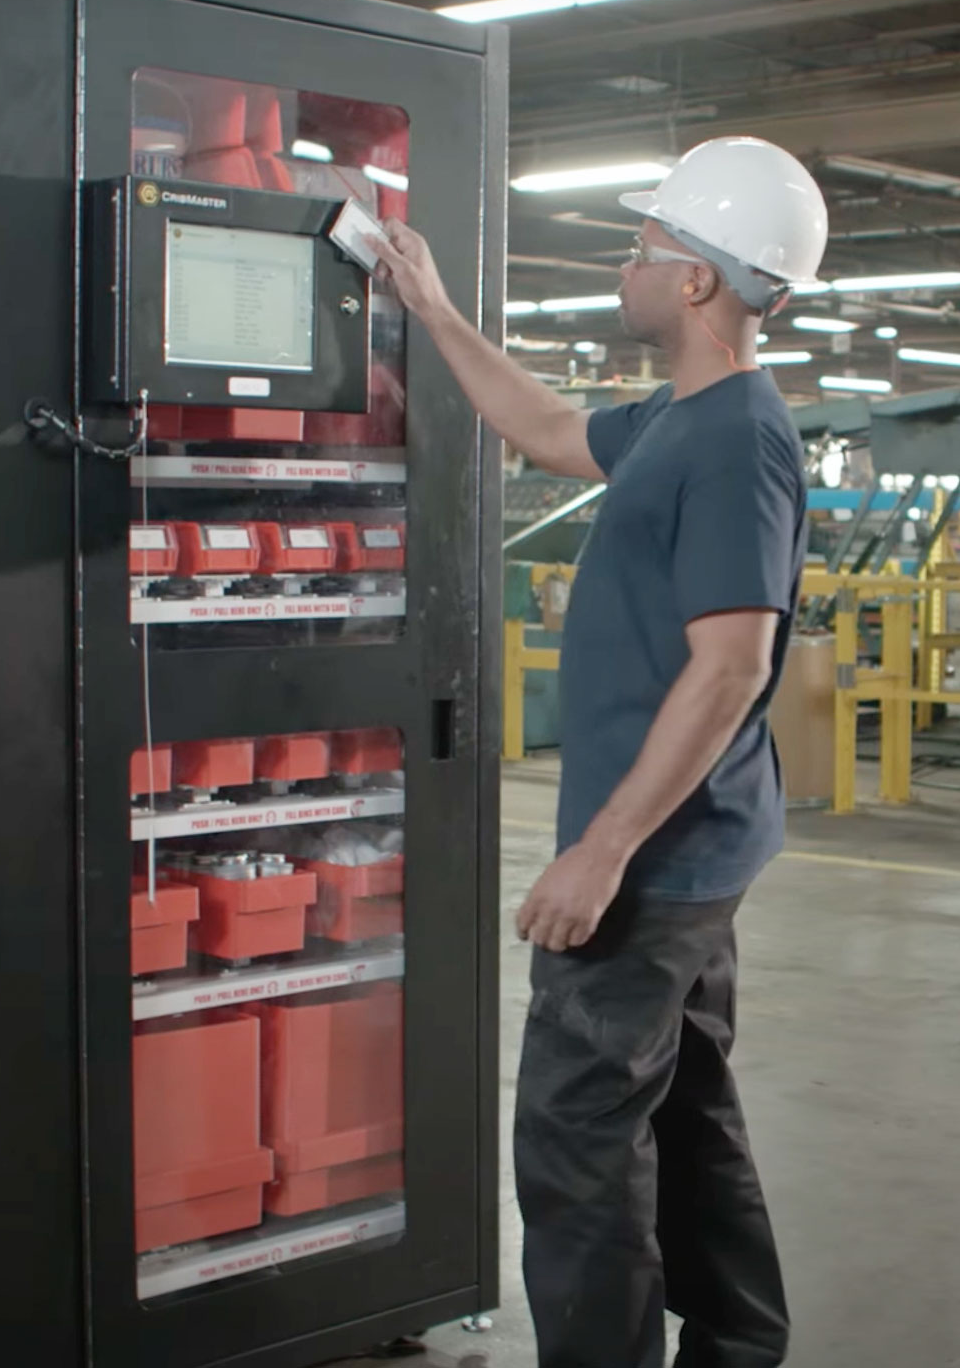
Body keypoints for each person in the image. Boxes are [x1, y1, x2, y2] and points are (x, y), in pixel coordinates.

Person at [369, 135, 828, 1368]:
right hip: (693, 846)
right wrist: (437, 311)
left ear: (696, 284)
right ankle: (737, 1343)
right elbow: (553, 427)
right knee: (683, 1113)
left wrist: (601, 852)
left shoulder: (737, 439)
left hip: (656, 860)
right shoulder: (682, 418)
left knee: (576, 1136)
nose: (626, 266)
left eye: (644, 248)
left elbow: (730, 664)